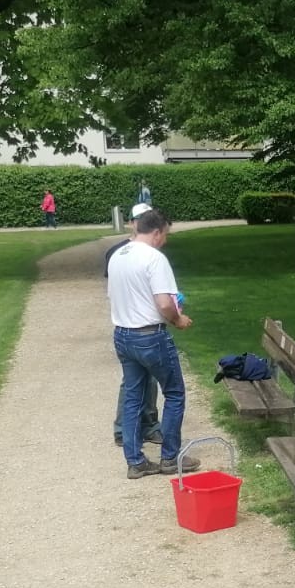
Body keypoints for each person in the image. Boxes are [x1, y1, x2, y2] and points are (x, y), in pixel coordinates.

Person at [106, 208, 191, 479]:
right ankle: (170, 457)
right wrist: (178, 319)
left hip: (123, 334)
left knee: (133, 397)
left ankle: (135, 461)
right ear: (156, 232)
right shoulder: (154, 258)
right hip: (150, 336)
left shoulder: (117, 255)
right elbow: (164, 303)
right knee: (174, 393)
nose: (165, 240)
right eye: (165, 234)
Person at [106, 202, 160, 446]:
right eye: (140, 218)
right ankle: (125, 429)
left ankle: (146, 424)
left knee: (148, 379)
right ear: (132, 223)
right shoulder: (119, 252)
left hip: (142, 324)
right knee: (133, 381)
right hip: (133, 326)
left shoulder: (150, 253)